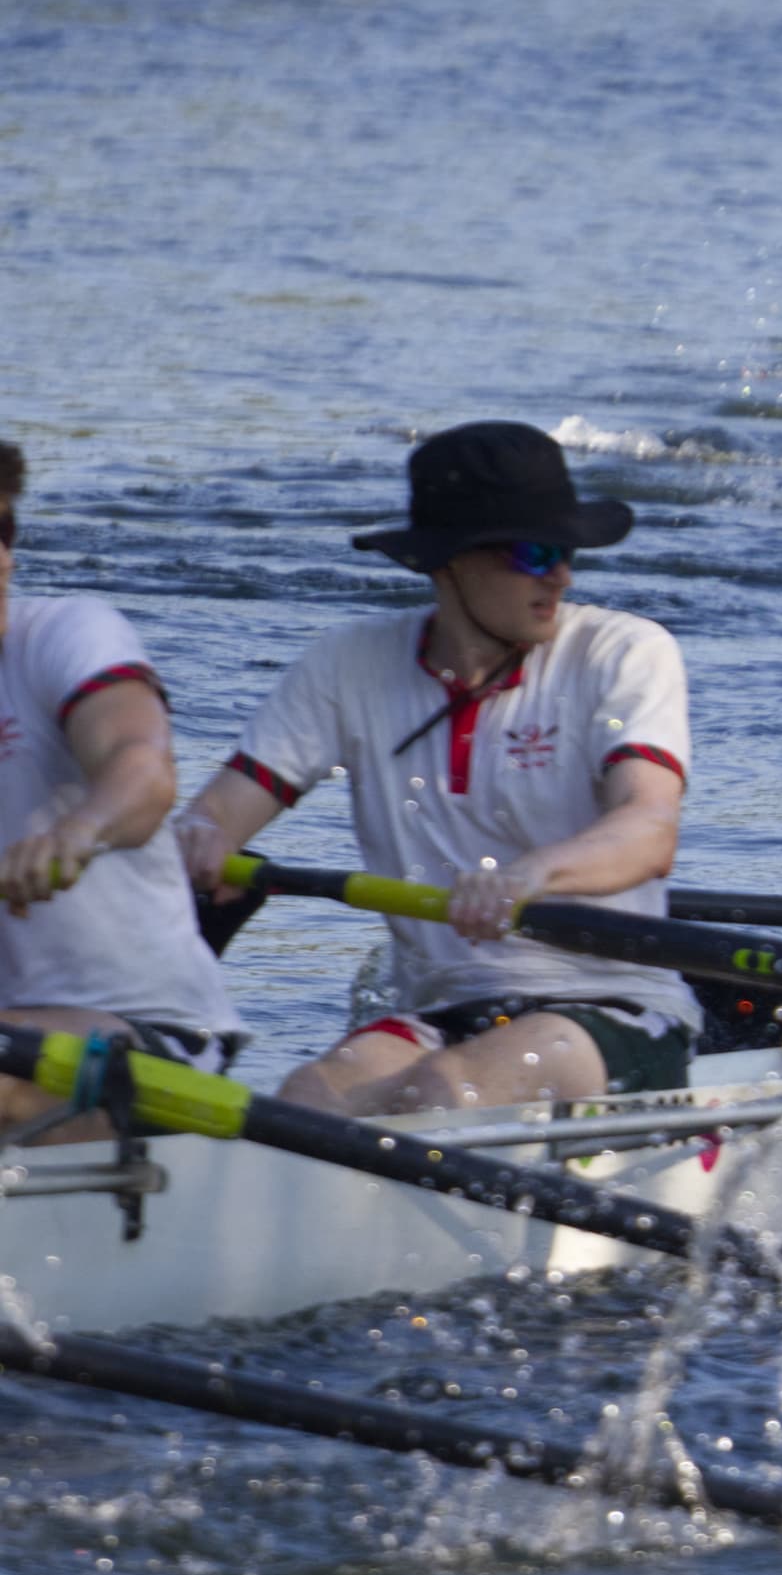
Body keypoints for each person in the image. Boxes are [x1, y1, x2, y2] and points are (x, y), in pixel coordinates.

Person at [176, 425, 699, 1117]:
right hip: (446, 1010)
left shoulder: (622, 652)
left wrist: (529, 877)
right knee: (306, 1100)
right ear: (449, 561)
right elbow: (219, 813)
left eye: (567, 552)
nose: (562, 576)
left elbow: (647, 827)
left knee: (446, 1092)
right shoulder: (349, 664)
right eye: (534, 553)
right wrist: (199, 836)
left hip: (614, 1008)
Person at [0, 443, 241, 1139]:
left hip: (150, 1042)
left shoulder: (69, 634)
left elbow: (142, 768)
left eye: (6, 533)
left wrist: (77, 832)